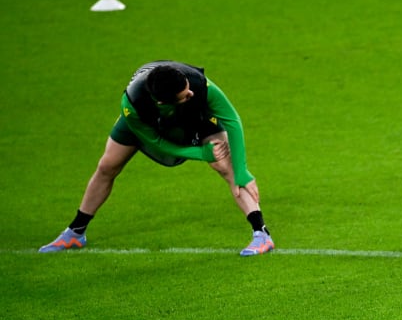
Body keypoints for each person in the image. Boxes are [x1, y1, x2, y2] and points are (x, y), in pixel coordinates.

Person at [39, 61, 273, 257]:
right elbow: (156, 144)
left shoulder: (196, 85)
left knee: (224, 164)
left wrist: (243, 171)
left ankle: (261, 234)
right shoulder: (133, 106)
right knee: (107, 165)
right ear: (163, 101)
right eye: (184, 95)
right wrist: (199, 154)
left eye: (188, 88)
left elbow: (232, 120)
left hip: (195, 117)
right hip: (150, 123)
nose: (190, 93)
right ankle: (75, 233)